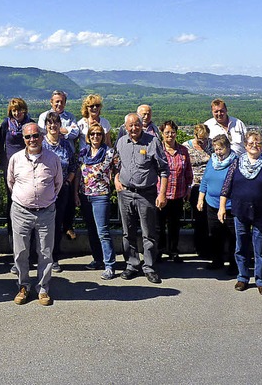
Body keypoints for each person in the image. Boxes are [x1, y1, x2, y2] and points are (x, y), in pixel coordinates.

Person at [8, 122, 62, 306]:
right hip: (21, 211)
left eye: (35, 136)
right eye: (28, 137)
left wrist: (44, 199)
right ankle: (23, 286)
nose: (32, 139)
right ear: (23, 139)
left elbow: (58, 183)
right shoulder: (15, 159)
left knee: (46, 252)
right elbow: (11, 182)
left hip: (46, 212)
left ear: (41, 136)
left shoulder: (53, 158)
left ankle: (43, 288)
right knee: (21, 252)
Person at [218, 131, 262, 295]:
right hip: (240, 211)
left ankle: (261, 280)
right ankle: (242, 277)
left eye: (258, 143)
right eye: (251, 143)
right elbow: (226, 187)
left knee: (260, 249)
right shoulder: (237, 164)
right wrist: (222, 207)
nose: (254, 146)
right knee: (241, 247)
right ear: (245, 145)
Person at [114, 113, 168, 284]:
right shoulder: (122, 142)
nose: (133, 128)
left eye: (136, 125)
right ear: (125, 127)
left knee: (148, 233)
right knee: (127, 232)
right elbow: (116, 164)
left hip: (147, 193)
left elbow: (164, 170)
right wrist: (116, 180)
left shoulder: (153, 142)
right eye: (130, 125)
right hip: (125, 193)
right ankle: (131, 264)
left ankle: (150, 267)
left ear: (141, 125)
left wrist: (162, 193)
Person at [76, 123, 119, 280]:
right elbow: (78, 174)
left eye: (98, 133)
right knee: (92, 230)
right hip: (85, 195)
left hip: (101, 195)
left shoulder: (109, 153)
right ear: (88, 136)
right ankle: (98, 259)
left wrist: (117, 184)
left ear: (102, 136)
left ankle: (110, 265)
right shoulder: (83, 153)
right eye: (92, 133)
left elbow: (117, 170)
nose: (95, 136)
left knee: (103, 231)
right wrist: (75, 193)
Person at [0, 97, 34, 272]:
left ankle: (31, 254)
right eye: (13, 110)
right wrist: (5, 163)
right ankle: (16, 255)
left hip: (29, 171)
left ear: (24, 110)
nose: (16, 113)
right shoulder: (6, 124)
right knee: (14, 211)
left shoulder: (31, 125)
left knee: (31, 209)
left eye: (19, 109)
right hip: (11, 172)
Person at [37, 90, 80, 240]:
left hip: (65, 179)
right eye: (56, 101)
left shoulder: (70, 117)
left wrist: (68, 181)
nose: (59, 104)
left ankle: (67, 228)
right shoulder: (43, 117)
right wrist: (66, 131)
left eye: (62, 101)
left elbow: (75, 133)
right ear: (51, 102)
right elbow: (41, 132)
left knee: (66, 207)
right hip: (47, 185)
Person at [198, 135, 238, 274]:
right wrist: (201, 198)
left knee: (232, 236)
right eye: (215, 149)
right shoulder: (212, 161)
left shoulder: (235, 162)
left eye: (221, 149)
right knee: (214, 234)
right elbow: (205, 180)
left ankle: (234, 264)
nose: (218, 152)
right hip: (212, 203)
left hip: (229, 206)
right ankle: (217, 260)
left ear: (228, 147)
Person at [42, 112, 76, 273]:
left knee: (57, 223)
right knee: (42, 224)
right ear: (46, 125)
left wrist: (68, 181)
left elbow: (73, 166)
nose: (53, 126)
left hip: (62, 190)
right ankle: (40, 256)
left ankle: (54, 258)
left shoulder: (66, 145)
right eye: (50, 123)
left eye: (56, 123)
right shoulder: (41, 144)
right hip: (44, 190)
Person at [157, 120, 193, 263]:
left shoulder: (183, 151)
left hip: (178, 193)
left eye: (172, 132)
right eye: (167, 132)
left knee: (174, 225)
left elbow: (188, 171)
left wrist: (189, 187)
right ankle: (158, 251)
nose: (170, 135)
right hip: (161, 194)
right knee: (158, 226)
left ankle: (173, 251)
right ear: (162, 134)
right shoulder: (158, 149)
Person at [183, 124, 213, 258]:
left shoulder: (212, 145)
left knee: (211, 218)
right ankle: (200, 248)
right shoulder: (187, 147)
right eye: (201, 140)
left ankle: (211, 247)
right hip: (194, 186)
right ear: (195, 136)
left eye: (206, 139)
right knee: (199, 218)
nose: (203, 142)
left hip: (211, 186)